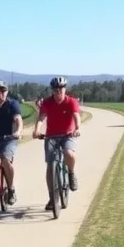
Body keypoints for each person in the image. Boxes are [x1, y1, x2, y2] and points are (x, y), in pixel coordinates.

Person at [33, 76, 81, 211]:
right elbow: (42, 117)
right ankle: (52, 198)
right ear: (52, 90)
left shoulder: (71, 102)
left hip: (68, 135)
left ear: (65, 89)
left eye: (61, 88)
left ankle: (71, 174)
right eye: (55, 89)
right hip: (51, 136)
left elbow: (76, 116)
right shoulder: (47, 103)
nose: (58, 91)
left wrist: (77, 128)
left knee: (69, 153)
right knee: (50, 166)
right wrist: (37, 130)